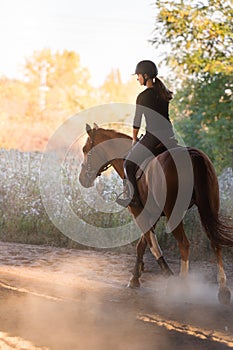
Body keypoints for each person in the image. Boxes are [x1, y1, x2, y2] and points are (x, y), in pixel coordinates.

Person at [116, 60, 178, 208]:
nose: (137, 78)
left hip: (153, 137)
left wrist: (134, 138)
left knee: (128, 163)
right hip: (169, 136)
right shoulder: (163, 93)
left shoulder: (143, 96)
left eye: (138, 75)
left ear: (145, 75)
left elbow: (137, 121)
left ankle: (133, 198)